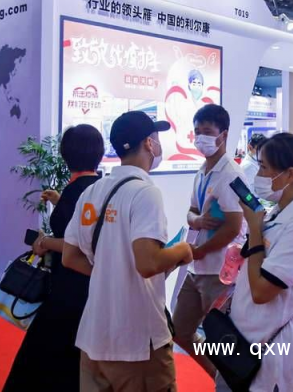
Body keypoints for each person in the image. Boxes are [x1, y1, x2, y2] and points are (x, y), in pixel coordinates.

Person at [63, 111, 193, 392]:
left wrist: (110, 272)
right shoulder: (145, 193)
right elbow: (148, 263)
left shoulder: (92, 192)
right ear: (148, 143)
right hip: (137, 341)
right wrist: (182, 250)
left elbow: (70, 256)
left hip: (94, 336)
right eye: (156, 138)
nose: (158, 145)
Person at [218, 133, 293, 391]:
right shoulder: (279, 211)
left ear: (290, 174)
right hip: (248, 337)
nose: (259, 175)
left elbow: (262, 292)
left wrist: (254, 229)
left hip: (273, 349)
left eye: (264, 167)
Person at [4, 125, 104, 392]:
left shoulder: (75, 191)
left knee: (45, 358)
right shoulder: (101, 188)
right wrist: (60, 201)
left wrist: (44, 242)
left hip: (68, 288)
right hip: (93, 286)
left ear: (65, 154)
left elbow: (75, 243)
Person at [174, 104, 246, 377]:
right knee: (180, 330)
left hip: (220, 270)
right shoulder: (201, 171)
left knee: (223, 337)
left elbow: (233, 227)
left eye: (207, 131)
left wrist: (201, 250)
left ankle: (227, 381)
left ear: (223, 134)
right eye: (197, 131)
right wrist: (197, 221)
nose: (200, 137)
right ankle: (217, 376)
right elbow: (191, 212)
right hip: (197, 267)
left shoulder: (231, 174)